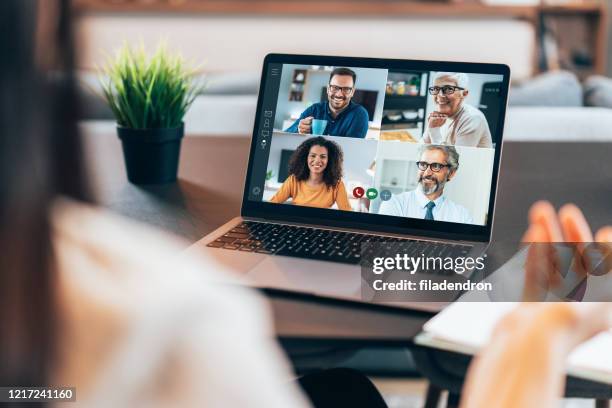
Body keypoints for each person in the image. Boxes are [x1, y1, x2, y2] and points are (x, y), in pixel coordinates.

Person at [378, 145, 472, 223]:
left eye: (436, 166)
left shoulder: (462, 215)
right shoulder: (394, 203)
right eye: (423, 165)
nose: (427, 173)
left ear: (451, 173)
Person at [270, 137, 351, 211]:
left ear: (329, 160)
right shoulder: (293, 180)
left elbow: (347, 214)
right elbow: (272, 204)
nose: (317, 161)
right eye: (313, 155)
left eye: (323, 157)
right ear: (306, 157)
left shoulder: (337, 184)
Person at [284, 67, 369, 138]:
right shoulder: (314, 110)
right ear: (328, 89)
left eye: (346, 89)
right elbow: (285, 135)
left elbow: (352, 148)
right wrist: (298, 129)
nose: (339, 94)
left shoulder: (359, 114)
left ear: (352, 92)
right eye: (335, 87)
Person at [422, 72, 493, 148]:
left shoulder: (473, 118)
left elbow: (456, 159)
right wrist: (431, 128)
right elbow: (421, 147)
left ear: (464, 93)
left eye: (448, 89)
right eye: (436, 89)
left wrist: (434, 131)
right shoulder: (439, 115)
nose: (439, 95)